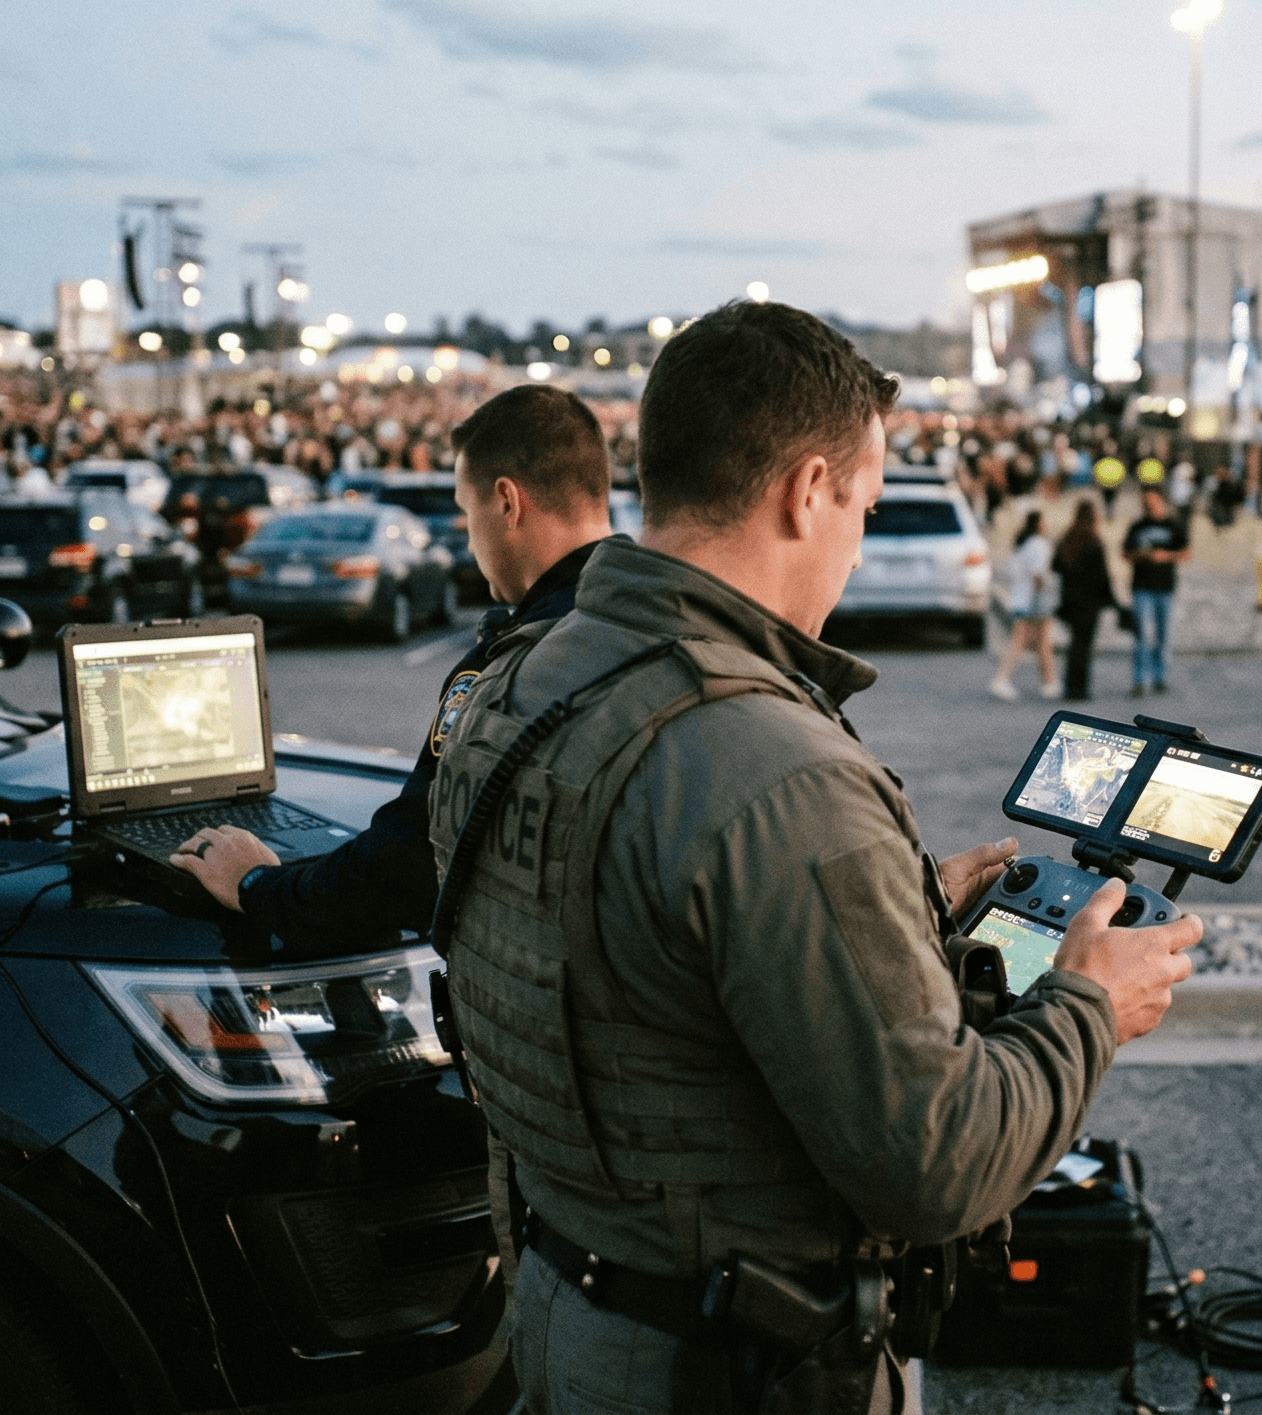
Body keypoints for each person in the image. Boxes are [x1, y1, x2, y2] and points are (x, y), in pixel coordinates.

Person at [427, 300, 1204, 1414]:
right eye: (866, 507)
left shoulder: (520, 677)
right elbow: (936, 1166)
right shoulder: (769, 771)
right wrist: (1090, 1001)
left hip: (564, 1310)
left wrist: (895, 908)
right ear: (806, 490)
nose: (857, 542)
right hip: (732, 1367)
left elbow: (625, 953)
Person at [164, 385, 616, 945]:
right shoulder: (648, 616)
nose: (471, 539)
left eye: (466, 511)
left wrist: (257, 885)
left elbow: (413, 859)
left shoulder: (520, 663)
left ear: (505, 502)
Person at [1120, 488, 1184, 696]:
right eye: (1145, 502)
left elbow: (1185, 552)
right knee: (1142, 635)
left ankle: (1160, 676)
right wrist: (1142, 555)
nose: (1149, 506)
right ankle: (1140, 679)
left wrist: (1164, 556)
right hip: (1142, 587)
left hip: (1165, 587)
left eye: (1152, 502)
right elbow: (1125, 553)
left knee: (1164, 634)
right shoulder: (1138, 526)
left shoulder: (1173, 525)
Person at [989, 510, 1057, 701]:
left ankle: (1049, 682)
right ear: (1038, 525)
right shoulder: (1038, 545)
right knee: (1025, 642)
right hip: (1033, 601)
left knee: (1040, 642)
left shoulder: (1024, 544)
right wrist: (1047, 594)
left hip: (1020, 599)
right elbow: (1038, 575)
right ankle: (1002, 680)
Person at [1051, 499, 1113, 702]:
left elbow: (1055, 567)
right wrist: (1112, 602)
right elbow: (1103, 578)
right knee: (1084, 647)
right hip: (1089, 603)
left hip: (1069, 601)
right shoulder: (1094, 543)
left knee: (1074, 645)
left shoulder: (1067, 539)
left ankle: (1071, 687)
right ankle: (1080, 688)